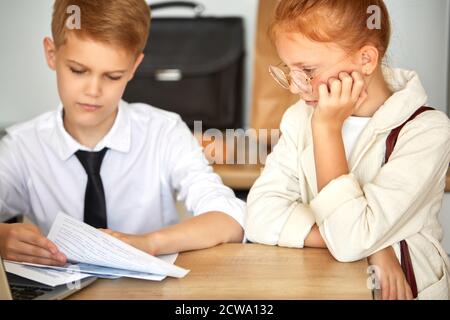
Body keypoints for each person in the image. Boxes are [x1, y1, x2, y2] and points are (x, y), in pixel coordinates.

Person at [0, 0, 244, 268]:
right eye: (78, 71)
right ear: (51, 54)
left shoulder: (164, 133)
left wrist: (150, 242)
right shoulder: (21, 147)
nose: (93, 90)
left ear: (133, 68)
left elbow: (230, 218)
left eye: (113, 76)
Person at [246, 0, 450, 300]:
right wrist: (377, 246)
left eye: (307, 70)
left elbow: (351, 240)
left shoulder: (426, 131)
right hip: (320, 286)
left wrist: (326, 130)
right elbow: (259, 215)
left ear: (366, 60)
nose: (294, 87)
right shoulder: (299, 118)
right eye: (289, 70)